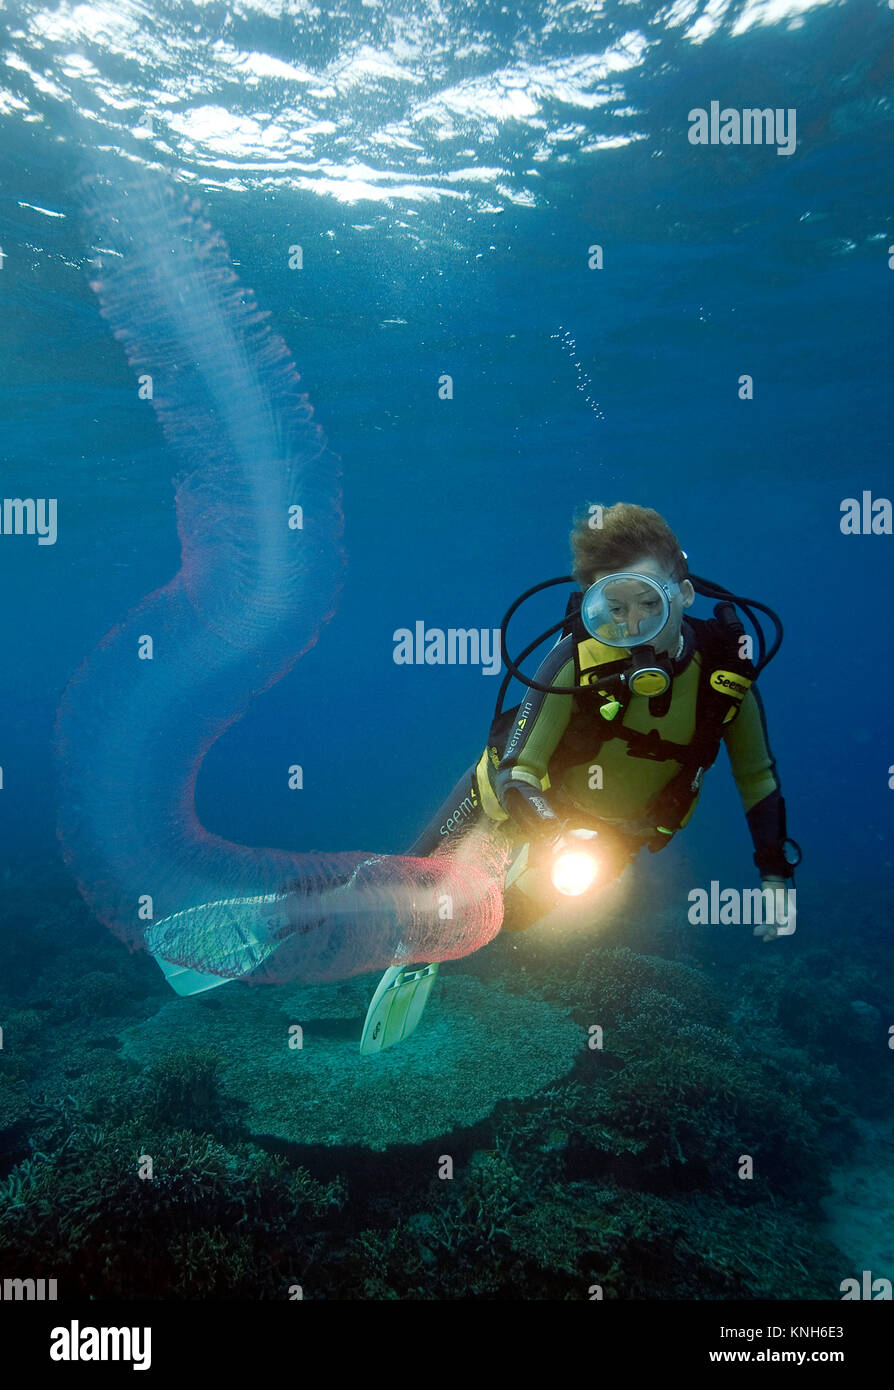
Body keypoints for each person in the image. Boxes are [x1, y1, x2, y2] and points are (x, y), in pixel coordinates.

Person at [360, 502, 800, 1053]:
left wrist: (774, 873)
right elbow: (519, 772)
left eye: (651, 602)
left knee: (508, 920)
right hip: (514, 802)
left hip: (605, 835)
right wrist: (550, 833)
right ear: (593, 607)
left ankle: (466, 915)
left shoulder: (725, 679)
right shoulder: (575, 658)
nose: (635, 625)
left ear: (684, 595)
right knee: (414, 886)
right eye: (615, 609)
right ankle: (300, 924)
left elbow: (756, 777)